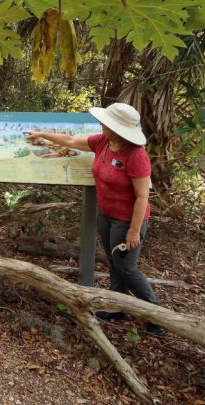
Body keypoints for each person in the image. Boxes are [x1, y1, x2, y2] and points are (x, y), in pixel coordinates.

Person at [26, 103, 165, 336]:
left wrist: (134, 230)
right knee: (113, 263)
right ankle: (118, 306)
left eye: (106, 123)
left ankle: (156, 314)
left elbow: (142, 196)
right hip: (107, 215)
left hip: (127, 220)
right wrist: (40, 133)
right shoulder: (103, 142)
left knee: (127, 267)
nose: (102, 125)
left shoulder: (136, 155)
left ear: (118, 128)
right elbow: (70, 142)